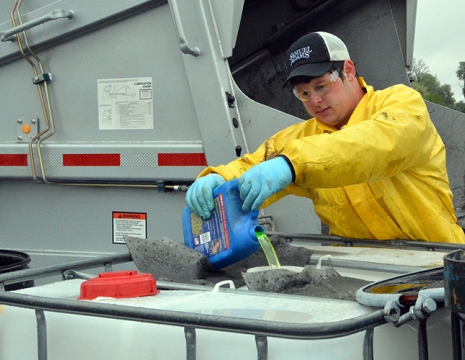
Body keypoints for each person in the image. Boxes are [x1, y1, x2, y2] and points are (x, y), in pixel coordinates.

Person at [185, 31, 465, 244]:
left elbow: (372, 145)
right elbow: (251, 166)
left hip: (437, 267)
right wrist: (217, 178)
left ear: (348, 70)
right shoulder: (304, 137)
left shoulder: (402, 105)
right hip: (368, 277)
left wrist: (292, 166)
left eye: (321, 86)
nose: (315, 101)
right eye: (304, 94)